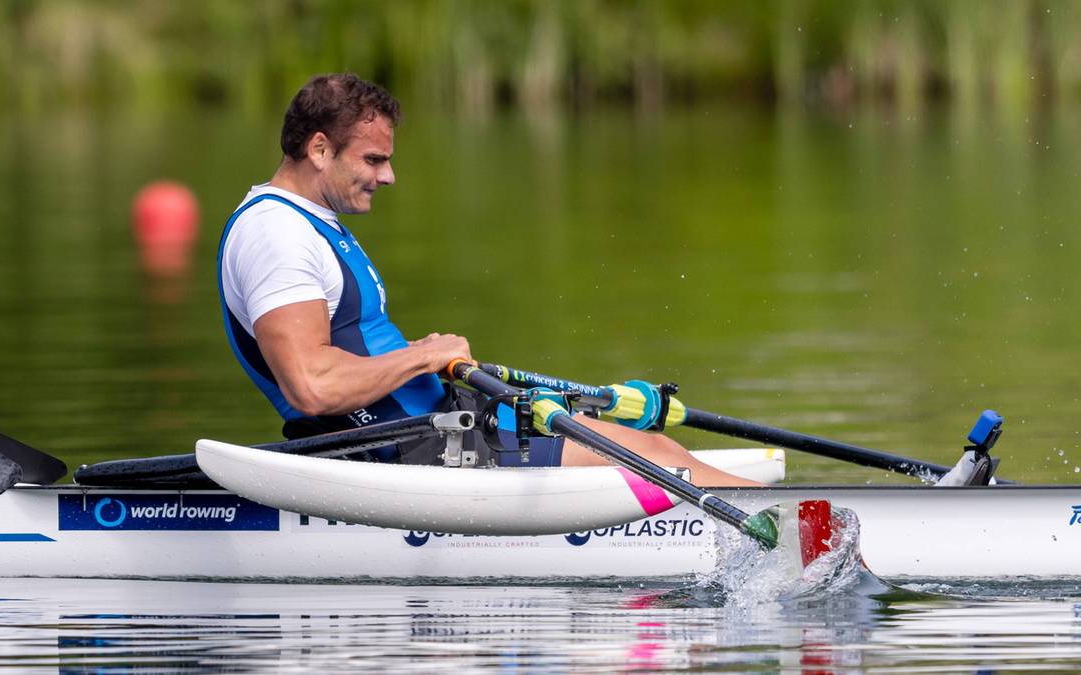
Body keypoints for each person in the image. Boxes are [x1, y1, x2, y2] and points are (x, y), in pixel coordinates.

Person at [218, 72, 755, 486]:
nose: (389, 176)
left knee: (648, 439)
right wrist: (424, 355)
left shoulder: (306, 223)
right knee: (654, 458)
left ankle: (782, 517)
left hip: (439, 425)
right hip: (403, 451)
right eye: (374, 159)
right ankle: (793, 528)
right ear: (318, 149)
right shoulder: (276, 236)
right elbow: (311, 386)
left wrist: (427, 359)